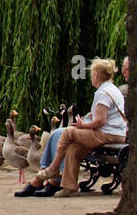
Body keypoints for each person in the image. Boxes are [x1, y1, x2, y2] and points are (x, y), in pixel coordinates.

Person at [19, 58, 126, 198]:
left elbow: (100, 120)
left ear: (95, 74)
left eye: (92, 74)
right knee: (73, 148)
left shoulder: (103, 92)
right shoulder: (110, 88)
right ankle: (70, 188)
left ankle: (53, 168)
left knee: (69, 132)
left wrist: (83, 125)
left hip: (108, 134)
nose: (91, 77)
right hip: (113, 133)